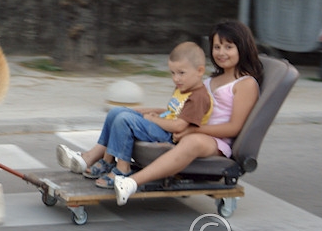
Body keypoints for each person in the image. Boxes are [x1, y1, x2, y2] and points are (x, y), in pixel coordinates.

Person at [114, 20, 262, 205]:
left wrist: (194, 131)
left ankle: (131, 183)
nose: (221, 52)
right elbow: (183, 110)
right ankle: (92, 161)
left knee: (191, 142)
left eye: (228, 47)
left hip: (215, 141)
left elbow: (234, 128)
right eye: (217, 47)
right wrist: (148, 111)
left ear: (242, 47)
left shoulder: (245, 84)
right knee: (126, 115)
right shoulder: (211, 79)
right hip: (189, 127)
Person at [57, 41, 212, 189]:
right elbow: (172, 112)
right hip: (162, 126)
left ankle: (122, 170)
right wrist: (145, 111)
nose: (176, 78)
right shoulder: (183, 88)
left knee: (125, 120)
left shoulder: (198, 96)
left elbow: (179, 125)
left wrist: (152, 119)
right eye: (173, 73)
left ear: (199, 71)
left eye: (181, 73)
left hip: (169, 136)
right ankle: (106, 161)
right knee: (116, 112)